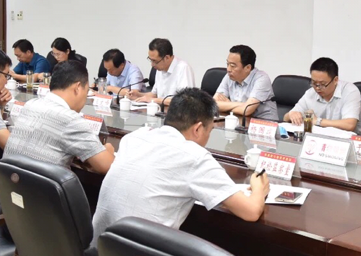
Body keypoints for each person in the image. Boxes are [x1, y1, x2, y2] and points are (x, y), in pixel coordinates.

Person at [91, 88, 269, 241]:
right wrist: (258, 188)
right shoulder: (195, 156)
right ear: (198, 129)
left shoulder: (134, 137)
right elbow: (251, 211)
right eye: (210, 131)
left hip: (99, 254)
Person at [4, 60, 115, 172]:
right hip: (44, 182)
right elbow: (106, 166)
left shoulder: (30, 105)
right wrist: (108, 150)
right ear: (77, 87)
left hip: (10, 180)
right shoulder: (71, 120)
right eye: (86, 92)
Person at [285, 57, 361, 133]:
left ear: (335, 80)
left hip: (346, 139)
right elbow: (286, 118)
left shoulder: (350, 91)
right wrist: (291, 115)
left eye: (322, 84)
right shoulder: (310, 93)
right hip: (317, 137)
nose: (317, 88)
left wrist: (318, 121)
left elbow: (349, 125)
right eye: (314, 83)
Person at [214, 45, 278, 121]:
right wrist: (241, 105)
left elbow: (247, 110)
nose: (228, 69)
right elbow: (213, 104)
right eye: (227, 64)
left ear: (247, 68)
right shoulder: (229, 76)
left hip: (263, 124)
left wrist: (226, 105)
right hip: (239, 121)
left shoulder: (262, 79)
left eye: (232, 66)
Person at [128, 38, 195, 105]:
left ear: (167, 58)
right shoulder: (160, 68)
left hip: (176, 111)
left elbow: (185, 100)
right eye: (150, 60)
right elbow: (154, 95)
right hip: (160, 109)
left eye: (155, 61)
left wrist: (153, 100)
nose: (152, 65)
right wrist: (138, 95)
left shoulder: (183, 68)